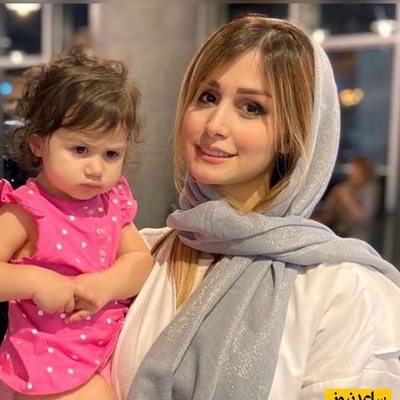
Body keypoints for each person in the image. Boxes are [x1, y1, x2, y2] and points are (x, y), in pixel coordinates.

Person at [112, 14, 400, 399]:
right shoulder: (138, 256)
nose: (215, 125)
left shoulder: (343, 288)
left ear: (292, 135)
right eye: (207, 97)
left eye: (251, 108)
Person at [0, 52, 153, 400]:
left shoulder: (110, 202)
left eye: (111, 154)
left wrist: (106, 284)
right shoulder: (27, 209)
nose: (96, 169)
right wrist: (34, 281)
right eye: (81, 149)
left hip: (109, 347)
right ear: (37, 142)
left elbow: (140, 260)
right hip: (49, 361)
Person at [312, 155, 380, 242]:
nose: (350, 172)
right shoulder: (347, 186)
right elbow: (328, 211)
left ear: (363, 171)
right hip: (339, 233)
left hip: (358, 237)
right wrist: (333, 198)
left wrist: (346, 198)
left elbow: (364, 218)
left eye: (354, 169)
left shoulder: (369, 189)